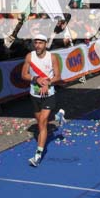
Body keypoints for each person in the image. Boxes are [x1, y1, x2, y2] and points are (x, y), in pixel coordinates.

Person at [22, 33, 60, 167]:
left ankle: (37, 155)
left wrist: (47, 83)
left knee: (43, 122)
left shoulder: (52, 57)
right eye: (36, 43)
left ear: (45, 44)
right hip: (34, 95)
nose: (37, 45)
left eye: (40, 43)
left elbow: (58, 76)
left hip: (48, 95)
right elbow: (24, 74)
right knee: (40, 124)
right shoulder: (30, 56)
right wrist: (36, 78)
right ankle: (58, 116)